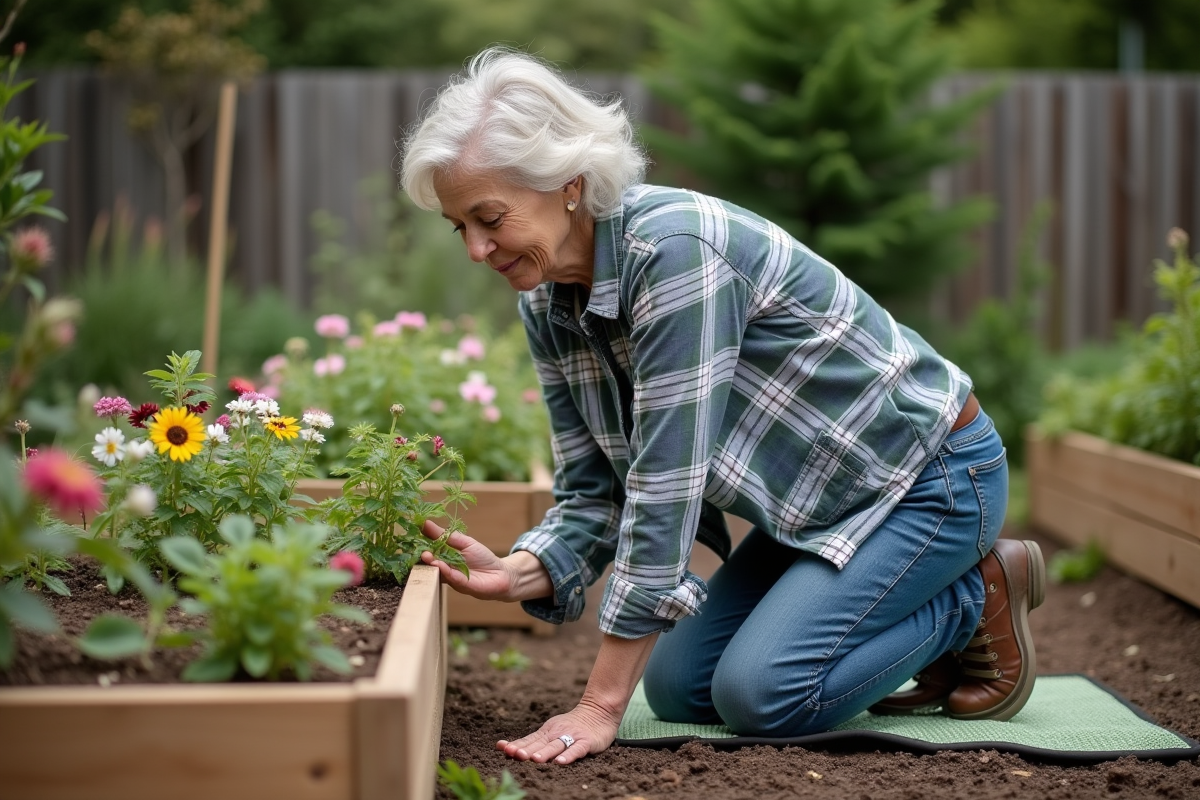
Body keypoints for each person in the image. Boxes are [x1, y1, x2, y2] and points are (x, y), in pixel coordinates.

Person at [403, 48, 1045, 766]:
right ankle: (924, 598)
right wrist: (526, 568)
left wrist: (599, 705)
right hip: (818, 499)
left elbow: (665, 485)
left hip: (926, 479)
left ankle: (973, 594)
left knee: (762, 697)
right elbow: (594, 487)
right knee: (680, 690)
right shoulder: (549, 302)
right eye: (460, 226)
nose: (475, 249)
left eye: (489, 217)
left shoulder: (676, 254)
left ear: (569, 186)